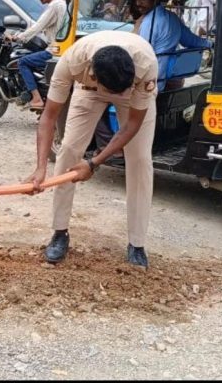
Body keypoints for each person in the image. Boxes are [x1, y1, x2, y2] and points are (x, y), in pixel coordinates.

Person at [24, 30, 158, 268]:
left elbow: (132, 125)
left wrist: (94, 163)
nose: (119, 96)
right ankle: (59, 232)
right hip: (87, 91)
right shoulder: (72, 63)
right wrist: (40, 167)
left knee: (140, 160)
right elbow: (49, 116)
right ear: (94, 76)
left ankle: (137, 244)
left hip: (134, 92)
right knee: (68, 151)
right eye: (115, 92)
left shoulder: (145, 66)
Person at [132, 0, 211, 91]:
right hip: (168, 77)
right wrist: (210, 44)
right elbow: (191, 40)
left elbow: (140, 54)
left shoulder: (148, 22)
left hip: (150, 83)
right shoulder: (172, 17)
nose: (138, 3)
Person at [7, 0, 67, 110]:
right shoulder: (62, 4)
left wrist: (18, 37)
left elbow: (38, 26)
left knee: (22, 62)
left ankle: (36, 98)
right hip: (60, 47)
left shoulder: (55, 6)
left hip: (54, 50)